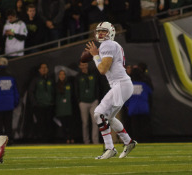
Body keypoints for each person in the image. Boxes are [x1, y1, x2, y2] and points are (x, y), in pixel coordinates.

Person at [85, 21, 137, 159]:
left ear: (111, 32)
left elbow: (102, 69)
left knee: (98, 114)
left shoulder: (107, 45)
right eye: (99, 31)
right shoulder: (112, 45)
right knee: (109, 117)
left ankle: (110, 148)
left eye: (104, 31)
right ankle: (128, 142)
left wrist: (95, 55)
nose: (100, 33)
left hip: (120, 84)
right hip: (122, 84)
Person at [0, 57, 19, 145]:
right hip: (9, 104)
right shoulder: (11, 74)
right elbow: (15, 91)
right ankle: (9, 140)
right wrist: (15, 102)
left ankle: (0, 142)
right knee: (8, 124)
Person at [28, 63, 55, 142]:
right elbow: (31, 92)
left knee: (49, 123)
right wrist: (35, 104)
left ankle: (50, 139)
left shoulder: (50, 80)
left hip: (49, 105)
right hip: (39, 106)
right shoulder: (36, 80)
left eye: (45, 67)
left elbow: (54, 92)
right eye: (42, 68)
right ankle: (42, 139)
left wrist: (52, 102)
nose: (44, 69)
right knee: (41, 123)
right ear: (39, 70)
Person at [77, 62, 100, 144]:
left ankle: (95, 141)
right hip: (83, 102)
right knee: (85, 123)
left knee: (95, 121)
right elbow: (76, 89)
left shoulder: (93, 74)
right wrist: (79, 100)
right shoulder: (78, 76)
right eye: (82, 65)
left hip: (93, 101)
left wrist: (97, 98)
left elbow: (97, 86)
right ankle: (86, 141)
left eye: (85, 64)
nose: (84, 66)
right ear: (79, 66)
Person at [55, 70, 75, 144]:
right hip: (60, 108)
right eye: (61, 74)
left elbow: (72, 96)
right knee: (63, 125)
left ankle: (71, 137)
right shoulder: (56, 85)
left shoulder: (69, 84)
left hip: (68, 108)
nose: (62, 76)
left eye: (63, 74)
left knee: (70, 124)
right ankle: (65, 138)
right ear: (58, 76)